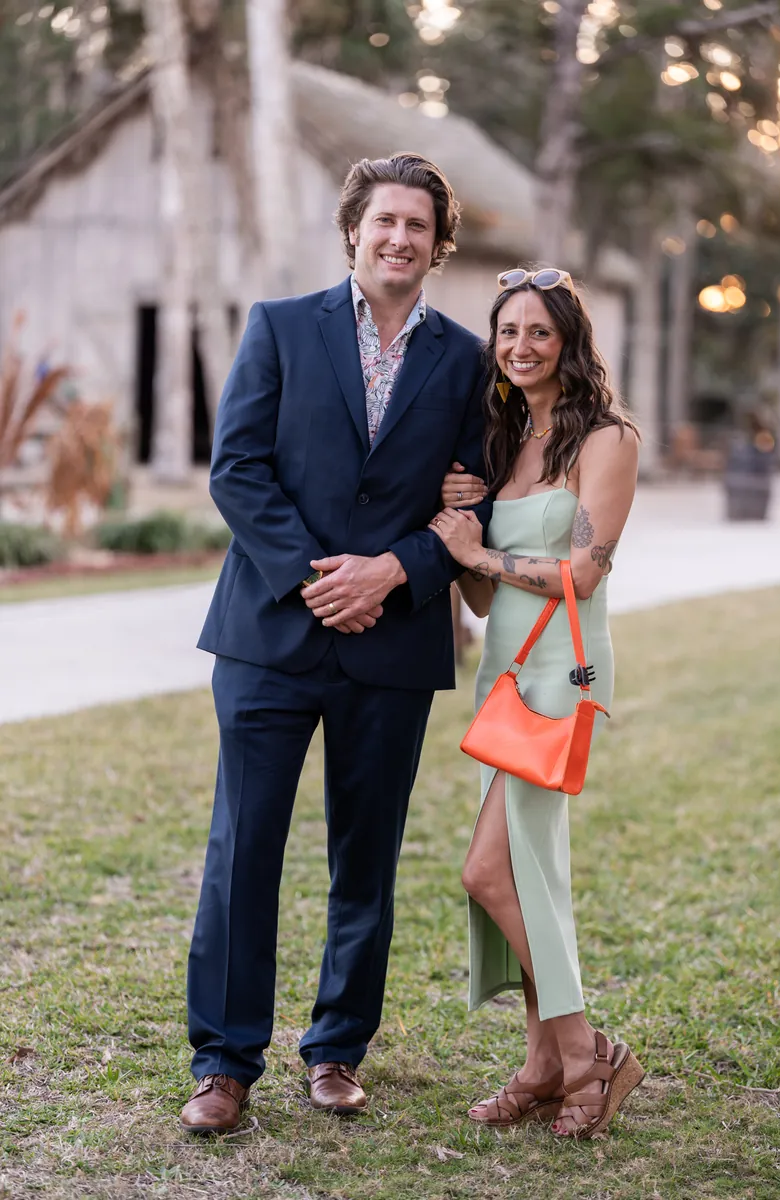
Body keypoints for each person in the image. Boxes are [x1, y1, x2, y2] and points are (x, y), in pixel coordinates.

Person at [179, 153, 492, 1134]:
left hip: (392, 645)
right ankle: (223, 1063)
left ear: (438, 245)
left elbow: (472, 505)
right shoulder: (278, 327)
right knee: (243, 849)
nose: (399, 238)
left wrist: (391, 572)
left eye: (417, 225)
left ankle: (337, 1049)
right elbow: (237, 469)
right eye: (383, 220)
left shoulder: (467, 361)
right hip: (270, 635)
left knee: (367, 857)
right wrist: (323, 582)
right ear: (353, 228)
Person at [429, 266, 643, 1139]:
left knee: (490, 873)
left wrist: (478, 554)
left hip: (563, 674)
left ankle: (587, 1053)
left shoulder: (607, 438)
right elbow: (486, 601)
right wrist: (458, 535)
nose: (521, 347)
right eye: (508, 331)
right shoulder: (507, 442)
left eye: (539, 332)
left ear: (569, 342)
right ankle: (543, 1065)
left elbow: (584, 573)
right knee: (525, 870)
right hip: (505, 675)